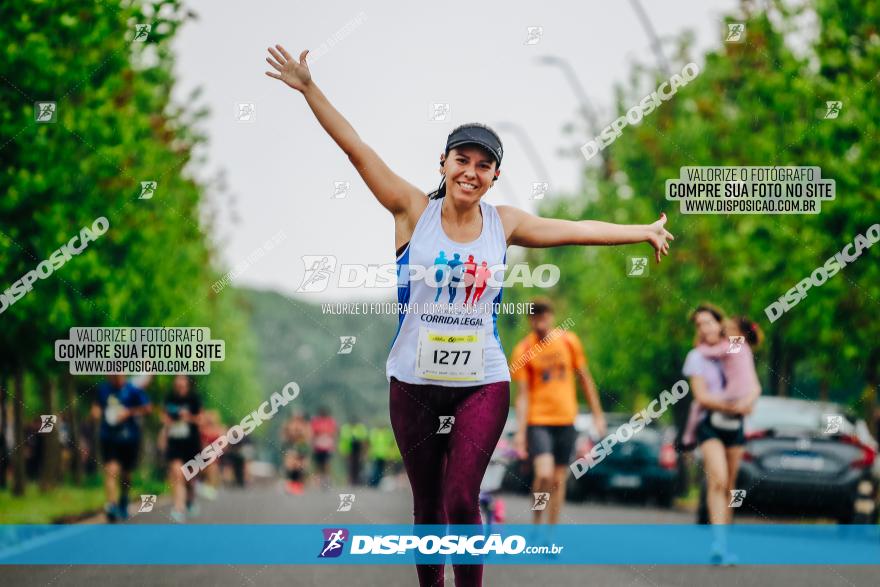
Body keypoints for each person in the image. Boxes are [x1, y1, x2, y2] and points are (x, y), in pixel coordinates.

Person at [264, 44, 673, 587]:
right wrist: (310, 88)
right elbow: (356, 150)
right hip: (412, 381)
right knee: (428, 505)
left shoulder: (505, 224)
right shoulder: (412, 209)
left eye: (484, 166)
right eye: (463, 160)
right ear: (444, 162)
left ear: (494, 176)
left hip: (482, 379)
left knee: (462, 498)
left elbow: (575, 228)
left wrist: (640, 231)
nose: (471, 172)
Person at [511, 298, 607, 534]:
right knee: (543, 474)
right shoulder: (523, 350)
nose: (540, 319)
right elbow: (522, 396)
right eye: (535, 315)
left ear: (551, 316)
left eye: (544, 314)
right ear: (529, 320)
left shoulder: (568, 341)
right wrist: (521, 433)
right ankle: (536, 522)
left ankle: (550, 533)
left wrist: (598, 415)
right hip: (538, 421)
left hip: (566, 419)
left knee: (558, 479)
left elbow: (585, 379)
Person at [682, 304, 761, 565]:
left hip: (735, 425)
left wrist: (747, 402)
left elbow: (752, 384)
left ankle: (724, 545)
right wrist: (731, 405)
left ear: (720, 323)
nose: (704, 328)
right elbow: (702, 397)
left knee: (729, 487)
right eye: (699, 325)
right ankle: (717, 542)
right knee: (718, 478)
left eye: (707, 322)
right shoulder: (697, 356)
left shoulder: (735, 348)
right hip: (710, 424)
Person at [91, 373, 152, 522]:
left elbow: (148, 408)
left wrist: (129, 412)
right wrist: (96, 413)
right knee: (111, 469)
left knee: (126, 473)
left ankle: (124, 499)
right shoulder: (103, 389)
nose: (115, 377)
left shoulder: (133, 390)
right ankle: (111, 505)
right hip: (109, 436)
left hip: (129, 438)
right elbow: (96, 407)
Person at [162, 375, 202, 523]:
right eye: (177, 379)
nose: (179, 382)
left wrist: (188, 417)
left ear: (187, 382)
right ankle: (178, 508)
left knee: (189, 478)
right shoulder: (169, 397)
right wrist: (166, 425)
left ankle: (190, 499)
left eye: (182, 379)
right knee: (177, 473)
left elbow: (201, 419)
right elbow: (163, 417)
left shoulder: (194, 398)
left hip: (191, 443)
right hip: (174, 442)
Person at [281, 411, 311, 494]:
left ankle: (298, 485)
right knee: (290, 466)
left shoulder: (305, 425)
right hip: (290, 446)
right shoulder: (288, 424)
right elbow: (285, 435)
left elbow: (308, 437)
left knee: (301, 466)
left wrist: (300, 435)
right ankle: (290, 485)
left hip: (301, 447)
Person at [310, 407, 337, 490]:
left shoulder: (330, 421)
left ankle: (327, 480)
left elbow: (333, 433)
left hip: (327, 446)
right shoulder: (316, 421)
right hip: (318, 446)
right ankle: (318, 481)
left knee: (326, 464)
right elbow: (313, 433)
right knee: (318, 465)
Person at [339, 419, 368, 486]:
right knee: (350, 466)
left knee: (358, 466)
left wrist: (364, 452)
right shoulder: (346, 428)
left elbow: (364, 441)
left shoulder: (360, 428)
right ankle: (351, 480)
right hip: (349, 450)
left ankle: (356, 480)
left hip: (358, 450)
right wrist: (344, 451)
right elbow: (343, 441)